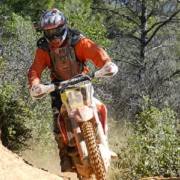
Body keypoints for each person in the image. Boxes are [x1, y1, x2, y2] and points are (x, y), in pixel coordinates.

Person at [27, 9, 118, 172]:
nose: (54, 36)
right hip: (58, 87)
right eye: (49, 33)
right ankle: (64, 154)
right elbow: (35, 70)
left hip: (82, 82)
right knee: (57, 120)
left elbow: (97, 52)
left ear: (63, 27)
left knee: (100, 107)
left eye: (57, 31)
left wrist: (107, 64)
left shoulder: (77, 41)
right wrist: (35, 84)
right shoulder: (44, 49)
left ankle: (105, 142)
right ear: (44, 32)